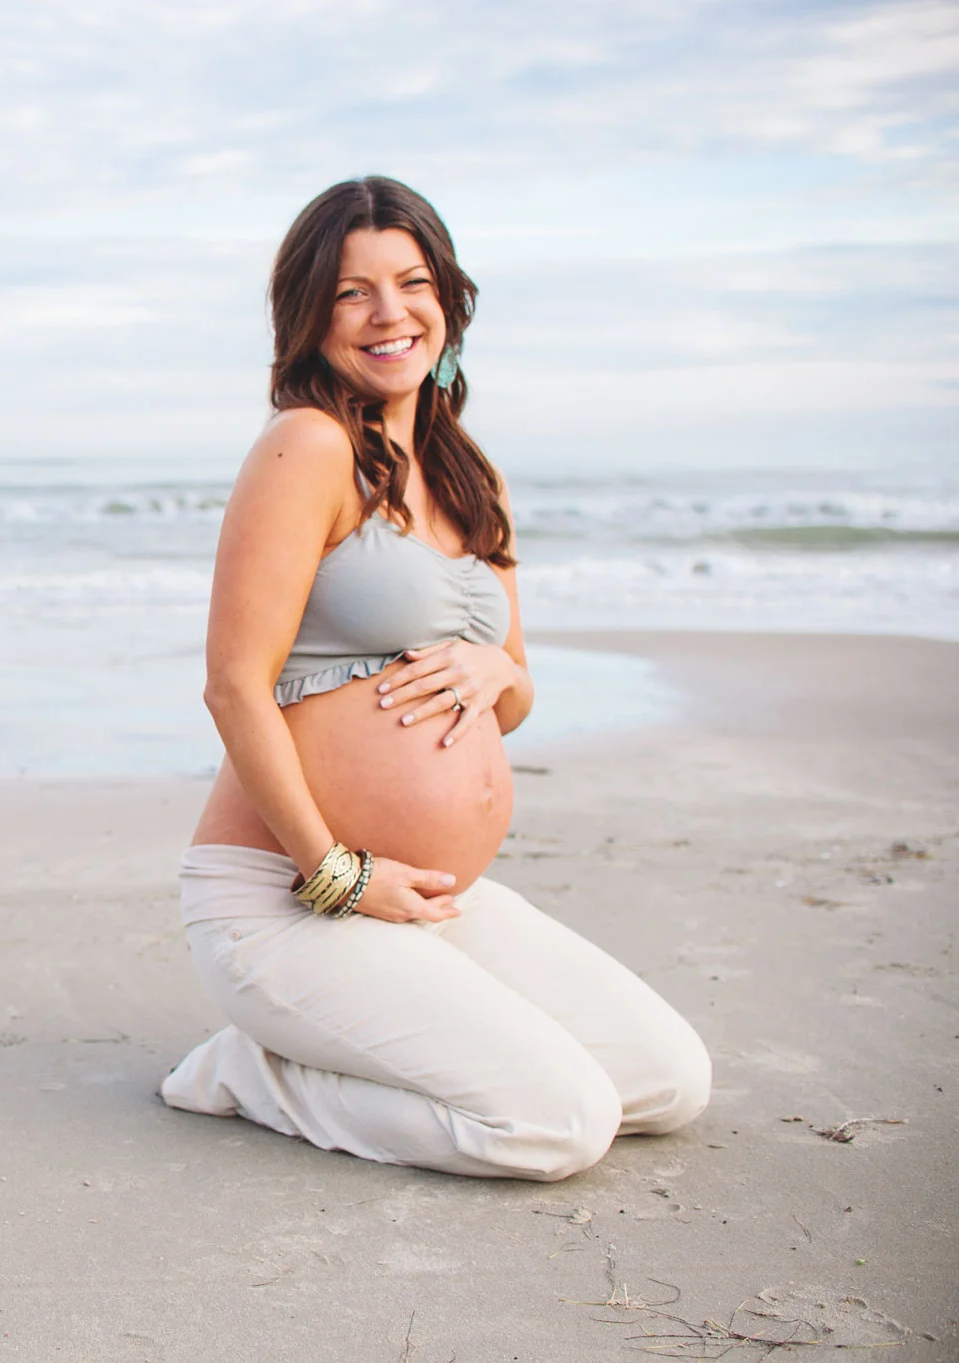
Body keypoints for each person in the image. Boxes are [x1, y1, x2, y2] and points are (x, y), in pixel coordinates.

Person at [159, 176, 710, 1181]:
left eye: (411, 283)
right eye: (348, 292)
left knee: (668, 1081)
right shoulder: (306, 446)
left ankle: (389, 1041)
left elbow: (518, 692)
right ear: (307, 315)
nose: (386, 314)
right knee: (556, 1123)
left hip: (426, 897)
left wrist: (493, 661)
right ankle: (253, 1073)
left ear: (446, 302)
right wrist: (338, 871)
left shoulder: (468, 474)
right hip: (290, 897)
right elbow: (233, 685)